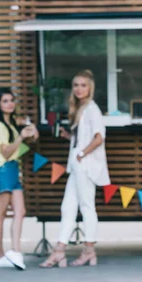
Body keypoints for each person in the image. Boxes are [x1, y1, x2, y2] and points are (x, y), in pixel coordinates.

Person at [40, 69, 110, 268]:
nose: (79, 89)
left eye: (83, 85)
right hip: (77, 165)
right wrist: (69, 138)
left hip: (85, 165)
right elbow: (84, 138)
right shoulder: (81, 109)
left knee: (87, 207)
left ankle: (89, 250)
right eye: (76, 85)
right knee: (68, 207)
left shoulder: (92, 109)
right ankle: (59, 251)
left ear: (90, 88)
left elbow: (99, 137)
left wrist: (81, 153)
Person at [0, 88, 39, 270]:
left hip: (12, 170)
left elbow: (25, 142)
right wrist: (20, 137)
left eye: (11, 100)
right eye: (5, 101)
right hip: (1, 170)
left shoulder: (10, 125)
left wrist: (30, 133)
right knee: (0, 213)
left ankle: (15, 251)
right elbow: (6, 151)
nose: (10, 104)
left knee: (21, 210)